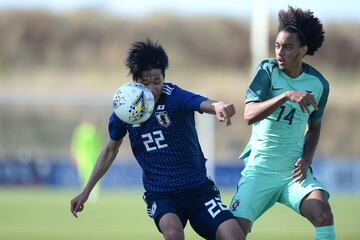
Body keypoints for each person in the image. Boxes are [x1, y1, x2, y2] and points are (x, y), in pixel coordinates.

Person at [71, 39, 245, 240]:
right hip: (162, 194)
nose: (153, 89)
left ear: (164, 78)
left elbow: (201, 103)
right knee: (173, 233)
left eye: (157, 81)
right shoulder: (125, 110)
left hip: (199, 190)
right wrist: (86, 192)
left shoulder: (174, 96)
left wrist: (218, 106)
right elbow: (110, 150)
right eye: (146, 83)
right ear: (136, 80)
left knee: (234, 236)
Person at [230, 6, 335, 240]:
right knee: (233, 232)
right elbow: (249, 114)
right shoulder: (267, 70)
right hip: (259, 171)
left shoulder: (319, 84)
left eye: (287, 47)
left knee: (323, 214)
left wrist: (307, 159)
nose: (280, 52)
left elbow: (315, 127)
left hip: (293, 173)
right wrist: (286, 96)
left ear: (303, 50)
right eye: (277, 45)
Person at [71, 117, 104, 201]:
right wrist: (74, 155)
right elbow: (75, 144)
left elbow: (100, 144)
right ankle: (86, 192)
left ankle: (92, 193)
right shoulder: (82, 131)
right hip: (83, 156)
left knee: (92, 174)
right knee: (84, 175)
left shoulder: (95, 131)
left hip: (93, 156)